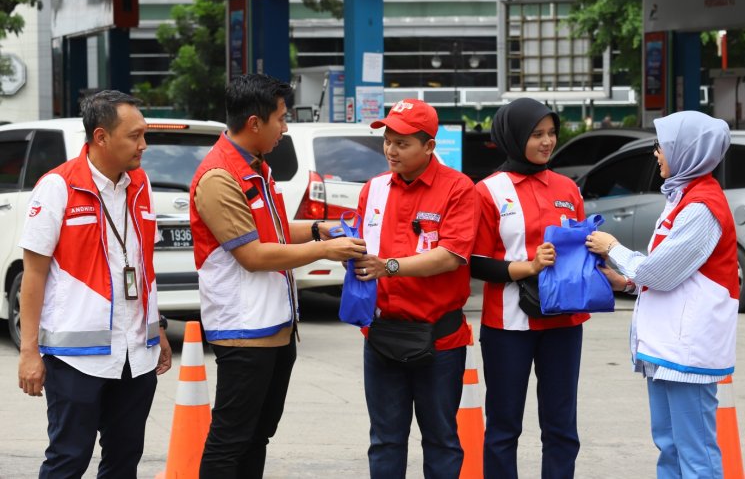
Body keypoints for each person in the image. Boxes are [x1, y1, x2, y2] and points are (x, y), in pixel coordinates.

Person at [190, 74, 367, 478]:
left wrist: (321, 229)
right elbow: (252, 255)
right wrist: (325, 250)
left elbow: (275, 230)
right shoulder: (220, 177)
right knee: (231, 439)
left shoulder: (257, 168)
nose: (285, 130)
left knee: (257, 435)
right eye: (282, 119)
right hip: (244, 330)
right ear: (255, 123)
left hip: (274, 327)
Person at [17, 90, 172, 478]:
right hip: (76, 360)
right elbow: (33, 274)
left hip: (135, 355)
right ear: (101, 137)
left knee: (123, 461)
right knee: (69, 459)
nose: (144, 145)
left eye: (144, 134)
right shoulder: (58, 187)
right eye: (134, 136)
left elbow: (142, 266)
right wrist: (28, 351)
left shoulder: (140, 185)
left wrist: (159, 329)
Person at [586, 110, 738, 479]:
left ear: (686, 150)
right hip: (667, 346)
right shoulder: (683, 197)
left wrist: (613, 248)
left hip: (686, 349)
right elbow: (672, 272)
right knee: (670, 447)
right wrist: (625, 282)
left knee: (695, 453)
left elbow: (661, 272)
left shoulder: (702, 207)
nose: (656, 153)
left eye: (662, 145)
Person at [352, 98, 479, 479]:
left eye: (402, 143)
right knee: (385, 440)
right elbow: (358, 248)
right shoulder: (373, 189)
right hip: (381, 335)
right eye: (387, 140)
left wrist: (387, 266)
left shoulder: (458, 189)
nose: (391, 150)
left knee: (441, 440)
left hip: (439, 341)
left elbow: (450, 256)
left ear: (429, 147)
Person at [470, 97, 589, 479]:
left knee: (561, 428)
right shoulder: (487, 191)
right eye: (537, 134)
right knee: (504, 428)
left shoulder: (568, 187)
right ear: (514, 135)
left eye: (552, 133)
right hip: (507, 326)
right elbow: (475, 262)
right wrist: (529, 267)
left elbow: (580, 250)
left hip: (565, 322)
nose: (547, 141)